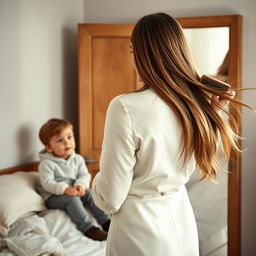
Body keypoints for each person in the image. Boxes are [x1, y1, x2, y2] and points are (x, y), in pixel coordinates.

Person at [90, 13, 252, 256]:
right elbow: (199, 159)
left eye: (132, 51)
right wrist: (212, 113)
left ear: (141, 54)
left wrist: (92, 184)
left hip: (139, 228)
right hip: (181, 221)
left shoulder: (124, 107)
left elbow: (111, 197)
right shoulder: (194, 105)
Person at [37, 118, 110, 241]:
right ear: (49, 147)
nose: (67, 143)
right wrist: (65, 189)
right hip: (54, 196)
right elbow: (47, 183)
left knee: (90, 193)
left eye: (69, 137)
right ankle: (89, 229)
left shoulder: (78, 159)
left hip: (74, 190)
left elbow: (84, 175)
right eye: (60, 140)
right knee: (72, 200)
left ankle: (106, 221)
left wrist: (80, 185)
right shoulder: (46, 164)